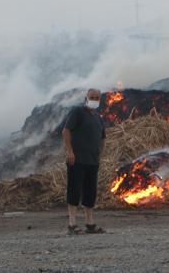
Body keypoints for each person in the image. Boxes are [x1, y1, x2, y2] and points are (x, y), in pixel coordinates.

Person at [62, 88, 106, 235]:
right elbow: (66, 130)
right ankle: (72, 224)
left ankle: (90, 223)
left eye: (97, 98)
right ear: (86, 98)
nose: (94, 100)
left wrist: (100, 154)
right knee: (74, 189)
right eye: (91, 97)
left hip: (92, 161)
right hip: (77, 159)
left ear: (100, 100)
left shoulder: (98, 118)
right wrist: (69, 151)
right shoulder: (78, 112)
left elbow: (103, 137)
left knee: (90, 191)